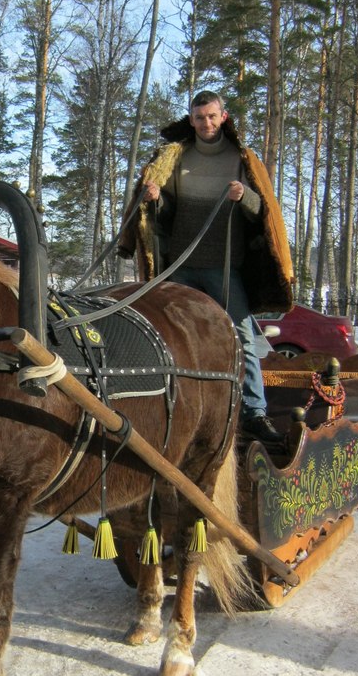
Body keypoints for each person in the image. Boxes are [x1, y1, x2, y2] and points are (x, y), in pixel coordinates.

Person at [117, 90, 294, 443]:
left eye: (212, 116)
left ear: (223, 117)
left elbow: (264, 212)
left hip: (224, 268)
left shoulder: (242, 159)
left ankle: (255, 412)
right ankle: (175, 412)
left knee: (242, 337)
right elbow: (167, 216)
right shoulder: (176, 158)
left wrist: (245, 196)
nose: (206, 123)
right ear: (192, 119)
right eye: (200, 117)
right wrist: (155, 200)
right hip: (182, 267)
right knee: (166, 335)